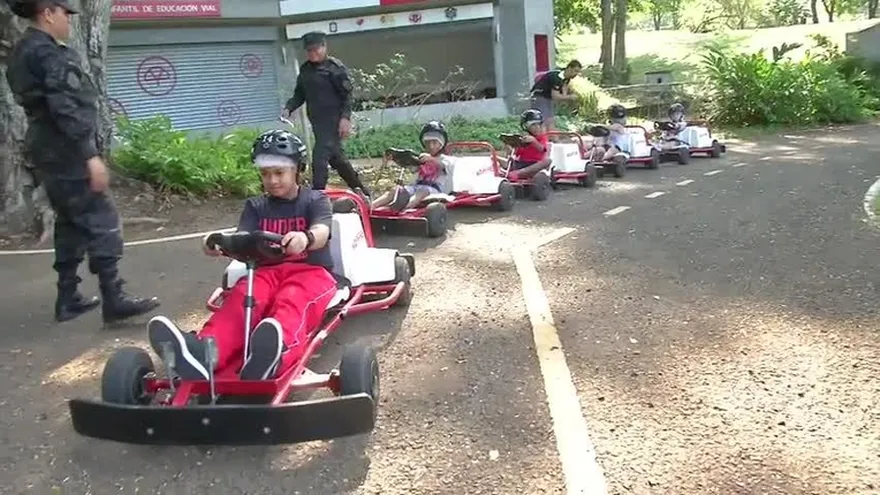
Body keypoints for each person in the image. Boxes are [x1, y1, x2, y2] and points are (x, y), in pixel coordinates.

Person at [5, 0, 159, 323]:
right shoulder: (48, 53)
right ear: (47, 13)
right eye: (64, 13)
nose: (69, 21)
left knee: (70, 220)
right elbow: (66, 108)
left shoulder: (21, 52)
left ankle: (68, 296)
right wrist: (90, 155)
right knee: (100, 216)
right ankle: (114, 297)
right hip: (65, 149)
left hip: (43, 146)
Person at [147, 129, 339, 381]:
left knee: (291, 301)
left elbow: (322, 230)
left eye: (279, 173)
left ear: (297, 170)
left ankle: (276, 352)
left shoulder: (315, 200)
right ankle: (205, 352)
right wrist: (215, 243)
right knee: (242, 299)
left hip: (311, 273)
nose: (272, 180)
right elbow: (243, 239)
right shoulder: (256, 206)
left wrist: (306, 238)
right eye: (265, 174)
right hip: (265, 272)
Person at [281, 31, 371, 199]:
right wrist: (289, 108)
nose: (312, 53)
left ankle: (317, 197)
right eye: (309, 51)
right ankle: (363, 192)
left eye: (316, 49)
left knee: (319, 159)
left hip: (333, 122)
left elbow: (347, 96)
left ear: (324, 47)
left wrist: (345, 119)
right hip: (317, 123)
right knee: (338, 160)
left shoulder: (334, 68)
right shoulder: (305, 69)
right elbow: (300, 94)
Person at [371, 121, 454, 211]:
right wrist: (395, 159)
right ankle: (372, 206)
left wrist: (431, 159)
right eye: (427, 143)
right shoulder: (421, 157)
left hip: (433, 189)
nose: (431, 146)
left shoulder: (445, 159)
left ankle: (402, 209)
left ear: (441, 144)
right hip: (416, 186)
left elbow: (446, 167)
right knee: (396, 190)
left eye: (434, 143)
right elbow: (412, 168)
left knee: (421, 192)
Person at [496, 109, 552, 182]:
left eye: (538, 125)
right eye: (533, 125)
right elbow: (516, 154)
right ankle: (500, 172)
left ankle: (516, 174)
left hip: (534, 165)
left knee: (547, 161)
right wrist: (509, 146)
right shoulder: (523, 137)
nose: (537, 127)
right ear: (526, 127)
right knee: (494, 157)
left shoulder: (542, 137)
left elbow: (542, 149)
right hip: (521, 163)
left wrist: (533, 141)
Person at [529, 60, 582, 130]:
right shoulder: (556, 77)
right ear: (569, 68)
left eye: (578, 72)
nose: (576, 74)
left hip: (548, 97)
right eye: (575, 71)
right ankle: (543, 138)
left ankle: (553, 138)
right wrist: (570, 97)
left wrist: (565, 100)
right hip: (539, 96)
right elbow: (555, 96)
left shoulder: (566, 79)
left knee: (551, 120)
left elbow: (564, 91)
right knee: (544, 120)